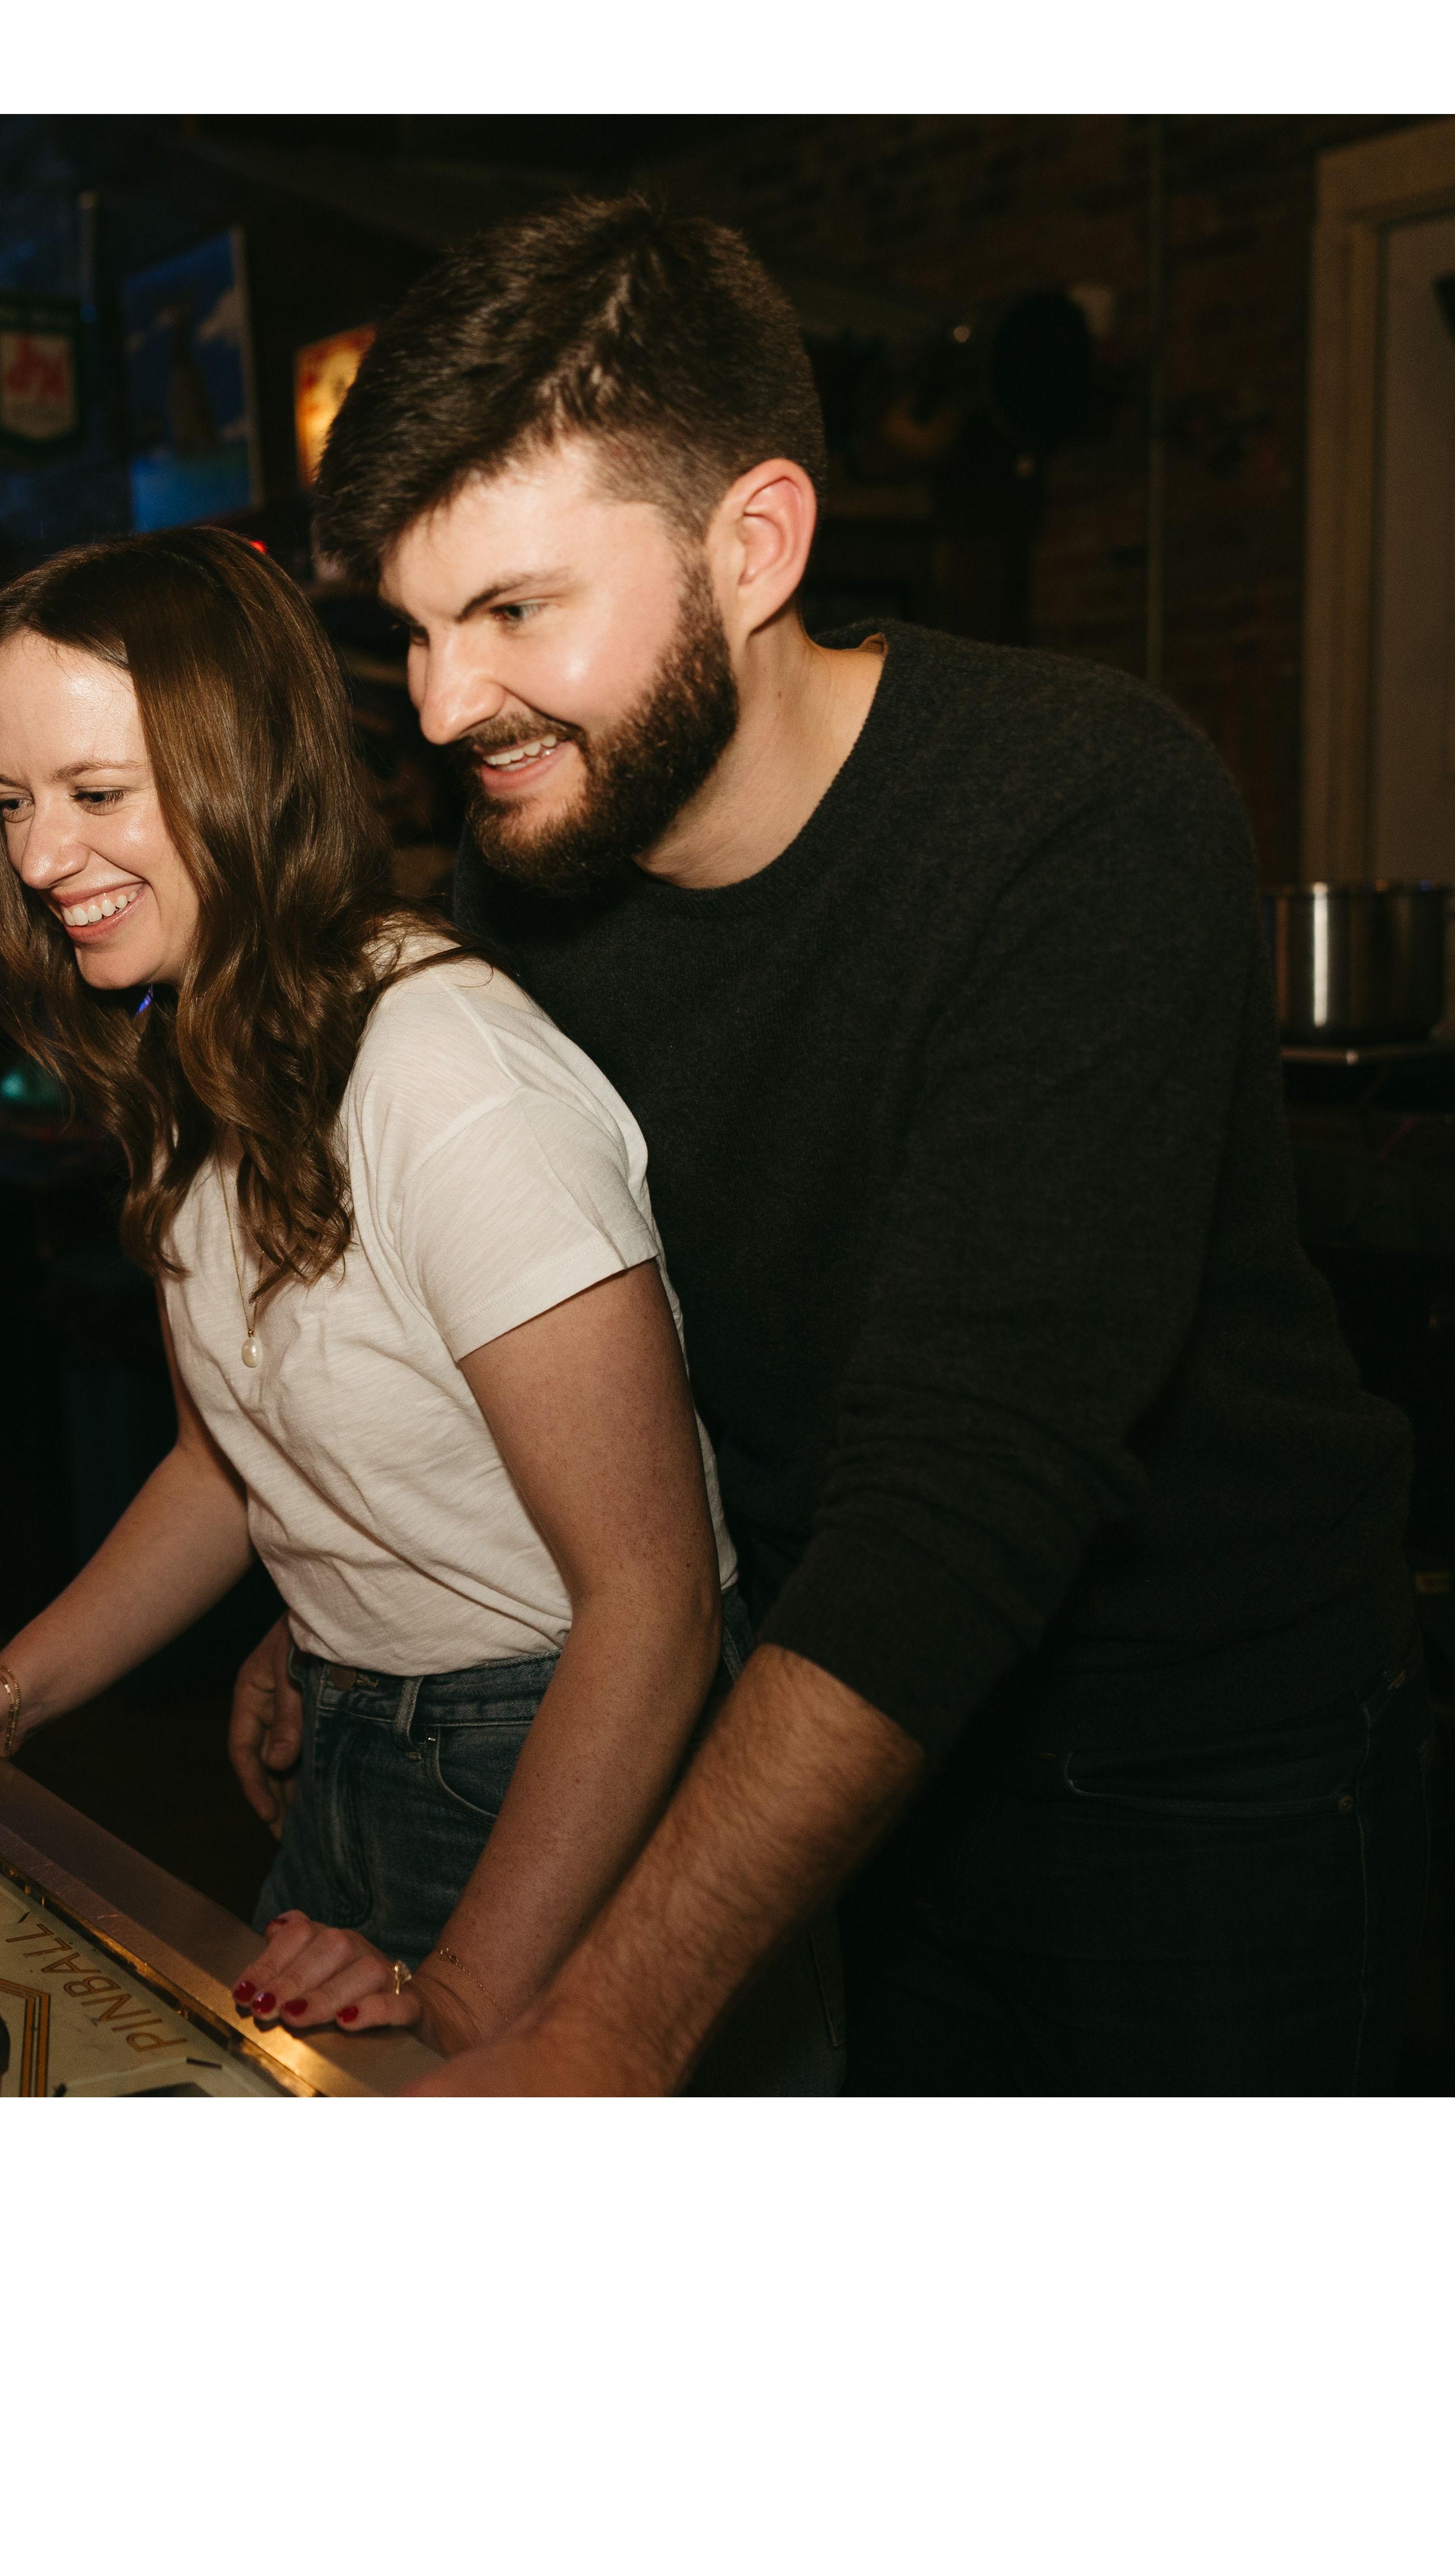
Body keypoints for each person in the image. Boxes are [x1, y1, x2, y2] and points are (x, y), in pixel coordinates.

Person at [259, 190, 1426, 2094]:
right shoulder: (529, 852)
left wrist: (611, 2029)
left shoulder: (1078, 810)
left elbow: (963, 1486)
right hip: (816, 1716)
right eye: (409, 628)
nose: (442, 705)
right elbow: (541, 1303)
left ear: (755, 543)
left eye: (511, 610)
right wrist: (372, 1582)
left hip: (1196, 1755)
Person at [0, 526, 758, 2066]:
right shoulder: (196, 1054)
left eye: (97, 793)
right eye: (10, 802)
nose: (43, 856)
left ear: (248, 770)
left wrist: (465, 1987)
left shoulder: (444, 1074)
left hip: (563, 1758)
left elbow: (649, 1601)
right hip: (353, 1735)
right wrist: (4, 1692)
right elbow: (222, 1467)